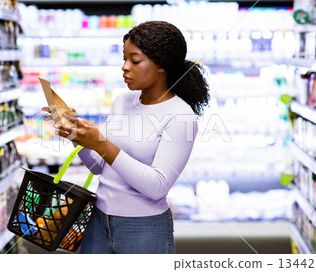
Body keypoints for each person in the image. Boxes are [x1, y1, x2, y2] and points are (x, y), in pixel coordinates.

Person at [44, 21, 209, 253]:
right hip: (98, 221)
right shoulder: (123, 100)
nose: (124, 67)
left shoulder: (180, 115)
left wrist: (100, 143)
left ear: (162, 65)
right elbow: (100, 168)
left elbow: (157, 187)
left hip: (145, 230)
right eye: (124, 59)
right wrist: (77, 136)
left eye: (134, 60)